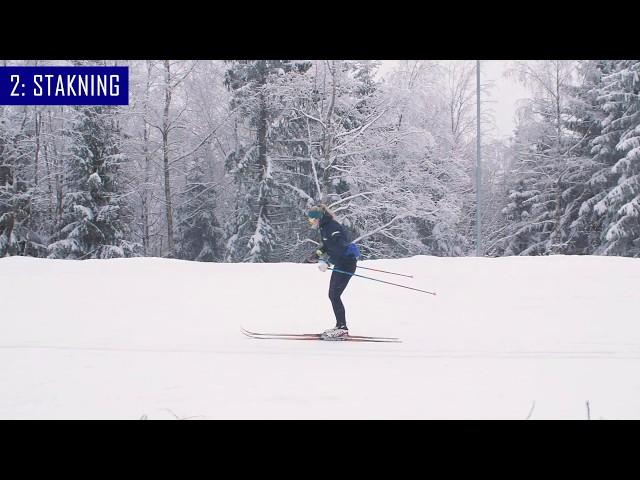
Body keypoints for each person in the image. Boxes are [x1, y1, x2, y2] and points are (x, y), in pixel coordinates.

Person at [307, 204, 361, 339]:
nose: (312, 223)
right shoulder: (325, 227)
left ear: (319, 218)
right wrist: (317, 254)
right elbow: (327, 245)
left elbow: (340, 247)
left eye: (313, 220)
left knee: (334, 295)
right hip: (340, 263)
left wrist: (328, 262)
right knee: (333, 295)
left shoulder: (332, 227)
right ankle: (339, 326)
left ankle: (343, 328)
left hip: (346, 263)